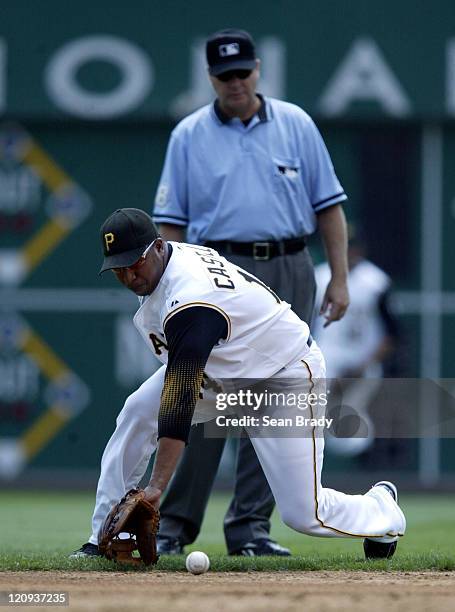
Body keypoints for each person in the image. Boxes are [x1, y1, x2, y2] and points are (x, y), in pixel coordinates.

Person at [71, 208, 405, 561]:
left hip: (282, 375)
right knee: (137, 412)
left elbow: (180, 397)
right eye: (118, 268)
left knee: (306, 513)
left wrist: (157, 486)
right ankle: (99, 539)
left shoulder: (191, 298)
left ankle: (382, 508)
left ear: (158, 246)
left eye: (134, 262)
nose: (128, 274)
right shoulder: (167, 265)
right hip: (226, 372)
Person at [152, 28, 350, 555]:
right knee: (198, 394)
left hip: (288, 265)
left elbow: (329, 206)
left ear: (257, 69)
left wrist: (341, 276)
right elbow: (169, 225)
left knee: (274, 400)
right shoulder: (189, 134)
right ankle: (174, 526)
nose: (236, 83)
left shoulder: (296, 124)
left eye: (243, 72)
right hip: (216, 270)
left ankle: (249, 529)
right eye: (225, 76)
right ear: (211, 78)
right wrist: (164, 289)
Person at [314, 232, 400, 456]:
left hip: (361, 360)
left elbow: (393, 333)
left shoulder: (376, 282)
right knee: (307, 419)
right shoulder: (319, 277)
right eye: (342, 246)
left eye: (352, 247)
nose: (348, 252)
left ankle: (362, 472)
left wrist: (363, 366)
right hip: (324, 358)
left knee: (351, 432)